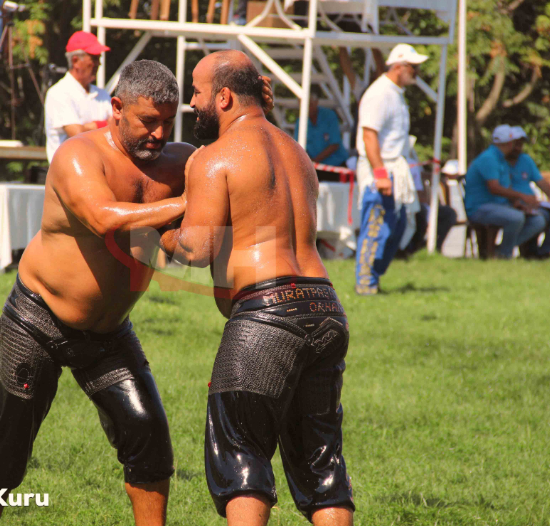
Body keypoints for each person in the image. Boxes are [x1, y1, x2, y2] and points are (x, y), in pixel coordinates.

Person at [0, 60, 194, 526]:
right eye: (147, 121)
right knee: (9, 445)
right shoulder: (77, 155)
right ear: (116, 107)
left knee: (148, 433)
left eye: (167, 122)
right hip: (38, 319)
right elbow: (104, 218)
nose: (158, 133)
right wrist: (186, 203)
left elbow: (235, 164)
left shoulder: (180, 161)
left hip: (109, 334)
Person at [161, 50, 354, 526]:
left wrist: (156, 229)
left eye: (198, 93)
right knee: (321, 464)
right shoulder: (297, 152)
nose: (192, 104)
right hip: (325, 307)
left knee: (241, 454)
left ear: (223, 97)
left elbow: (197, 249)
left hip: (265, 315)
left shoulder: (215, 157)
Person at [353, 43, 426, 295]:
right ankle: (365, 283)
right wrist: (381, 174)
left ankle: (373, 279)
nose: (417, 72)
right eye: (413, 67)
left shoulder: (395, 92)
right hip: (380, 170)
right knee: (376, 227)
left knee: (395, 229)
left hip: (393, 169)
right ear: (399, 66)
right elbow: (369, 136)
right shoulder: (380, 93)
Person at [464, 125, 546, 259]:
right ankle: (505, 254)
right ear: (509, 143)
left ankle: (500, 250)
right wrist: (522, 196)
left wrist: (516, 203)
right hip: (480, 208)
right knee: (516, 218)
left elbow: (505, 188)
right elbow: (494, 188)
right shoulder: (489, 158)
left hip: (500, 207)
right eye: (515, 143)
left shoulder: (501, 159)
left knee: (538, 220)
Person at [507, 126, 550, 258]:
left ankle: (542, 252)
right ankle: (528, 251)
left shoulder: (526, 160)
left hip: (533, 204)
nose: (518, 147)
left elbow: (543, 184)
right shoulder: (499, 163)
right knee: (541, 215)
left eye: (520, 144)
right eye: (515, 144)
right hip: (515, 205)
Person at [44, 31, 113, 163]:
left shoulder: (102, 94)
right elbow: (77, 135)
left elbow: (120, 128)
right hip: (67, 174)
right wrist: (104, 125)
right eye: (94, 58)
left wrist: (89, 127)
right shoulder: (59, 93)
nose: (99, 64)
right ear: (75, 61)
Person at [294, 87, 350, 182]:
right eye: (304, 106)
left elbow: (334, 144)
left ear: (316, 103)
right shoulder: (300, 121)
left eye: (310, 105)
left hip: (335, 166)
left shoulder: (329, 116)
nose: (307, 108)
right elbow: (298, 146)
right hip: (315, 169)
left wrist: (314, 161)